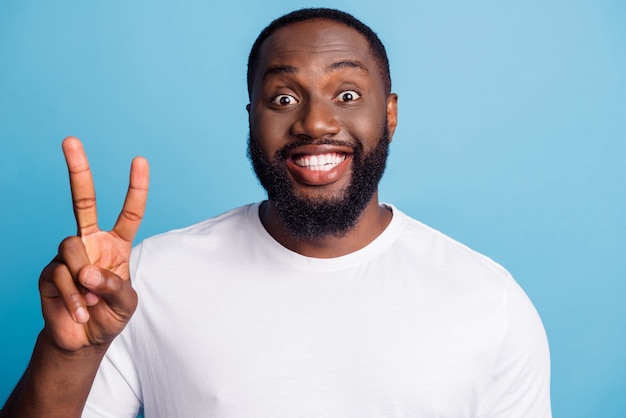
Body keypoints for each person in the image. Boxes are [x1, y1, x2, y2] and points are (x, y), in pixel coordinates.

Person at [1, 7, 551, 418]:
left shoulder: (488, 300)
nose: (314, 123)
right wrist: (67, 354)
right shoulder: (148, 280)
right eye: (283, 99)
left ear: (390, 114)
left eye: (348, 95)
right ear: (251, 118)